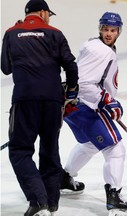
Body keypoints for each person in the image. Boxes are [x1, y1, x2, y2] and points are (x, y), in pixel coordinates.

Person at [1, 0, 79, 215]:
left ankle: (38, 201)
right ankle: (51, 203)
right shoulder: (55, 33)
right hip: (53, 101)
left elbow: (6, 69)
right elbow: (71, 65)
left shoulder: (11, 32)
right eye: (49, 14)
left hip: (24, 100)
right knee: (50, 151)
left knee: (20, 150)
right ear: (43, 12)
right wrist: (71, 92)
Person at [61, 12, 127, 216]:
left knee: (89, 143)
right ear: (100, 29)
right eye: (105, 29)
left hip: (71, 105)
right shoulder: (102, 52)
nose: (108, 33)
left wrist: (105, 98)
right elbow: (84, 82)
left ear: (119, 31)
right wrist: (106, 100)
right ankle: (114, 198)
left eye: (112, 30)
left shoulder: (91, 44)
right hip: (85, 105)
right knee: (115, 148)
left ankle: (64, 178)